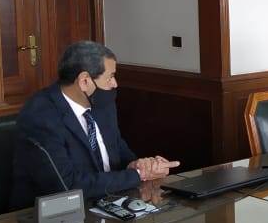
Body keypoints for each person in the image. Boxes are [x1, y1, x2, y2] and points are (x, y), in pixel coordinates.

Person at [10, 41, 179, 210]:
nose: (115, 84)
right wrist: (137, 175)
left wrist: (139, 165)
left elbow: (117, 147)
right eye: (110, 77)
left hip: (108, 202)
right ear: (84, 81)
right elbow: (68, 186)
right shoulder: (40, 117)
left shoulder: (101, 102)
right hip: (52, 214)